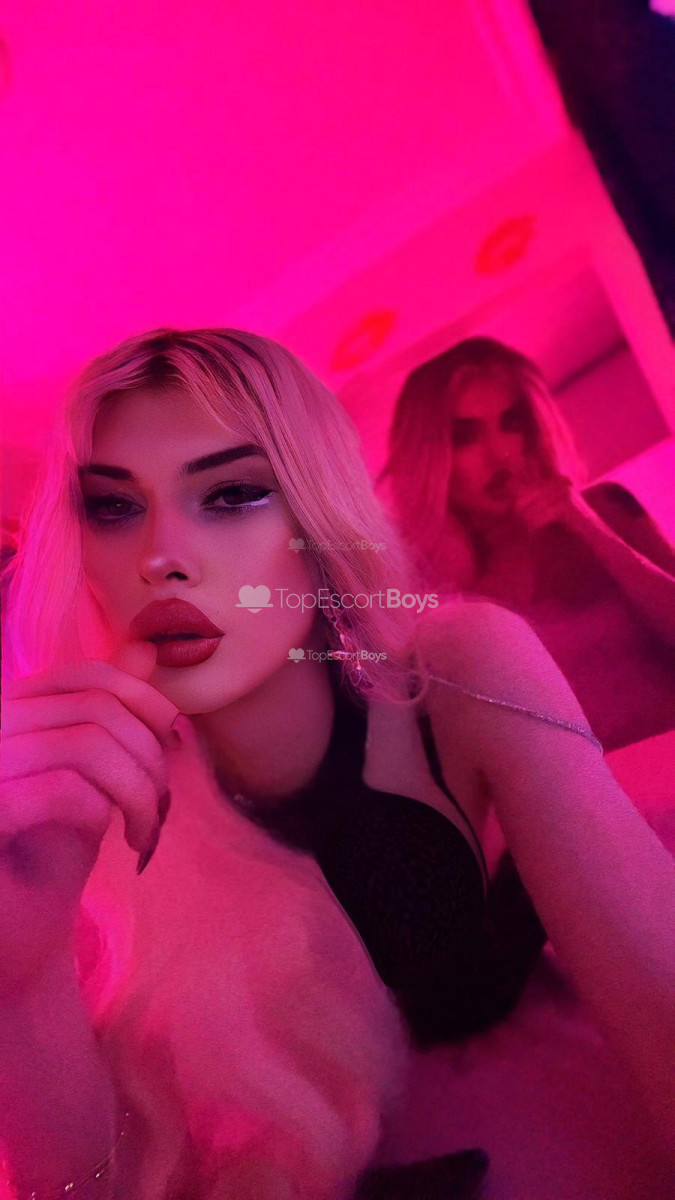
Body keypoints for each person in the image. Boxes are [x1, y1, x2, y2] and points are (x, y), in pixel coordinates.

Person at [1, 328, 674, 1198]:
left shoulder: (457, 668)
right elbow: (93, 1182)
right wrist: (24, 986)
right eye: (114, 508)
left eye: (231, 493)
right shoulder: (102, 798)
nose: (161, 556)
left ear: (314, 515)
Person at [377, 336, 675, 752]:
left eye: (510, 423)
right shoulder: (432, 594)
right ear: (431, 457)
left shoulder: (607, 508)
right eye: (466, 436)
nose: (500, 453)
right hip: (596, 791)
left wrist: (589, 529)